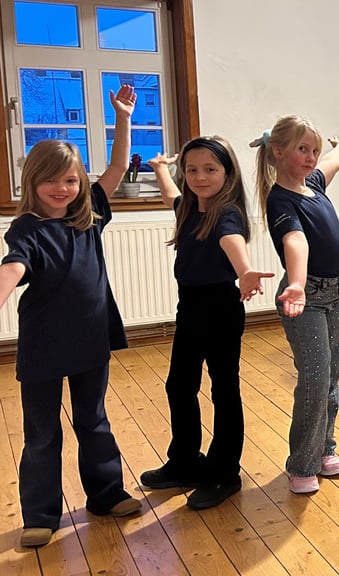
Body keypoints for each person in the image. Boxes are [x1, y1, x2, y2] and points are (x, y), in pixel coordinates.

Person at [0, 86, 142, 548]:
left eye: (70, 181)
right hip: (43, 346)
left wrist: (123, 118)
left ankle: (106, 493)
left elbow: (117, 167)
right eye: (51, 181)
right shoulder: (27, 228)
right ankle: (40, 514)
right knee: (42, 434)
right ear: (32, 182)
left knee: (93, 420)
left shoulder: (90, 215)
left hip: (90, 339)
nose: (62, 189)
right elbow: (13, 266)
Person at [140, 137, 273, 509]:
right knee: (179, 385)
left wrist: (245, 271)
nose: (200, 177)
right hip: (190, 307)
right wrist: (160, 169)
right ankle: (185, 462)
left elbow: (232, 241)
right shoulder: (189, 208)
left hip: (220, 308)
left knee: (223, 389)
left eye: (210, 169)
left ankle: (225, 473)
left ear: (227, 173)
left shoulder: (227, 213)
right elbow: (171, 196)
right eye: (192, 170)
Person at [253, 115, 339, 494]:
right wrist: (296, 283)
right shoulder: (279, 199)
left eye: (314, 150)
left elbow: (332, 163)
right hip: (305, 298)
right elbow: (296, 241)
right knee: (315, 379)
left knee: (331, 377)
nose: (311, 157)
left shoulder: (313, 185)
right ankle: (302, 464)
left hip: (337, 293)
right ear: (278, 152)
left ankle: (324, 449)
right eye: (302, 150)